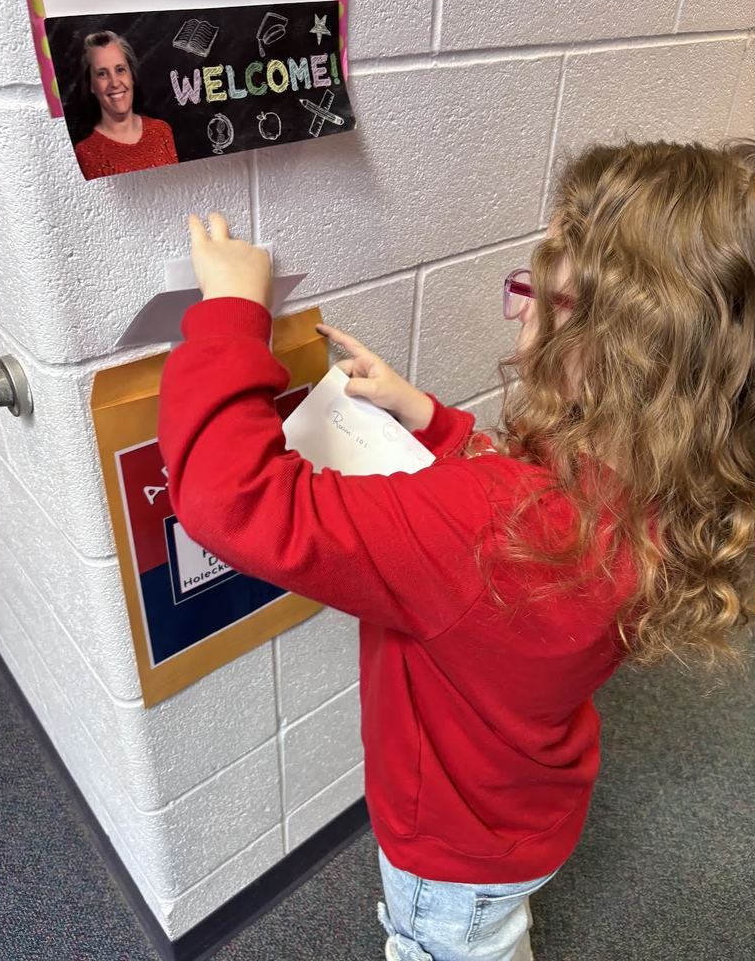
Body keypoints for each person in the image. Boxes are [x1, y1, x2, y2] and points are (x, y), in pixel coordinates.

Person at [157, 140, 754, 961]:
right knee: (486, 927)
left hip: (448, 848)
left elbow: (232, 502)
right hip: (524, 806)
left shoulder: (484, 529)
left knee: (443, 944)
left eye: (540, 292)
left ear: (617, 347)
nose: (518, 309)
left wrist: (229, 313)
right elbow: (527, 499)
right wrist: (430, 419)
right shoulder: (668, 485)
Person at [73, 31, 178, 180]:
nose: (115, 83)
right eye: (102, 74)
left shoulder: (161, 131)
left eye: (120, 70)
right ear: (91, 85)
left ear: (131, 76)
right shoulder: (86, 152)